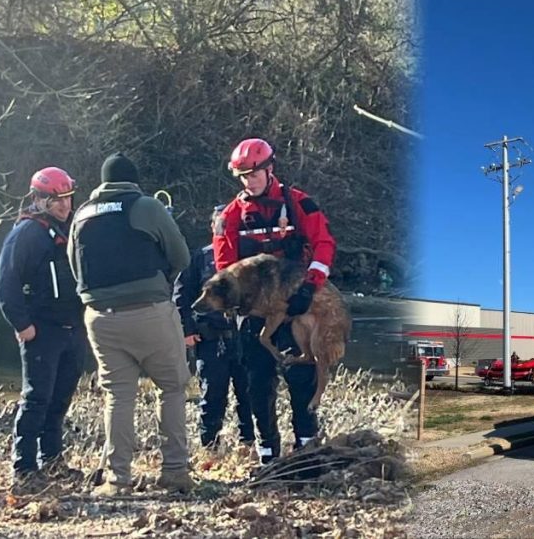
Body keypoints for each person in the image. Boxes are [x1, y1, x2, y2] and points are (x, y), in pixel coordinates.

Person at [67, 153, 193, 496]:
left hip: (99, 318)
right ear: (133, 181)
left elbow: (75, 270)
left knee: (118, 396)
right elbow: (181, 257)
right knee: (171, 387)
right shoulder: (147, 207)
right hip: (150, 311)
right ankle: (174, 472)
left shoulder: (82, 215)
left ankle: (117, 479)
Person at [213, 137, 336, 467]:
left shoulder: (299, 204)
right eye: (242, 176)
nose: (248, 182)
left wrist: (310, 288)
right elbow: (225, 267)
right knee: (257, 380)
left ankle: (307, 443)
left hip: (296, 306)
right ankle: (268, 449)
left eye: (253, 174)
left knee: (302, 375)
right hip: (254, 313)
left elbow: (323, 245)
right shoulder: (230, 217)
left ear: (270, 170)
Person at [0, 166, 87, 490]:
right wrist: (22, 325)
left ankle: (53, 461)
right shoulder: (26, 234)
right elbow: (5, 282)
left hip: (72, 329)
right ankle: (24, 466)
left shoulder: (67, 229)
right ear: (40, 199)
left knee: (60, 399)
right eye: (57, 200)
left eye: (68, 198)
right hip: (42, 331)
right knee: (36, 399)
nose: (65, 205)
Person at [174, 205, 255, 452]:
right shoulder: (198, 258)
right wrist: (186, 331)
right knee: (212, 396)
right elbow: (181, 297)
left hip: (245, 338)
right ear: (212, 227)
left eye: (229, 224)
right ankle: (210, 447)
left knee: (250, 394)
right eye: (220, 224)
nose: (224, 228)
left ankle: (249, 445)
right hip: (211, 339)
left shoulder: (248, 259)